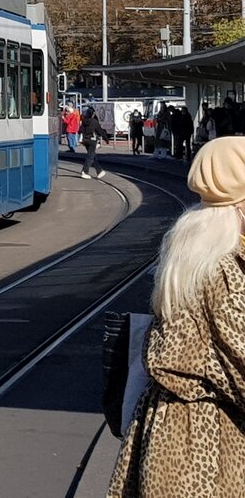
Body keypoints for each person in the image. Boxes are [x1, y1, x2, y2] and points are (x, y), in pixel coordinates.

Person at [106, 137, 245, 497]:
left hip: (172, 431)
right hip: (207, 446)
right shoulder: (222, 270)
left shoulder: (194, 250)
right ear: (240, 203)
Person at [80, 104, 109, 179]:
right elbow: (100, 131)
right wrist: (106, 138)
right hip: (92, 140)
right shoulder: (94, 121)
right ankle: (84, 171)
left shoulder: (83, 121)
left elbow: (80, 130)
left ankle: (99, 171)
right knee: (90, 156)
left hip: (85, 140)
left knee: (92, 155)